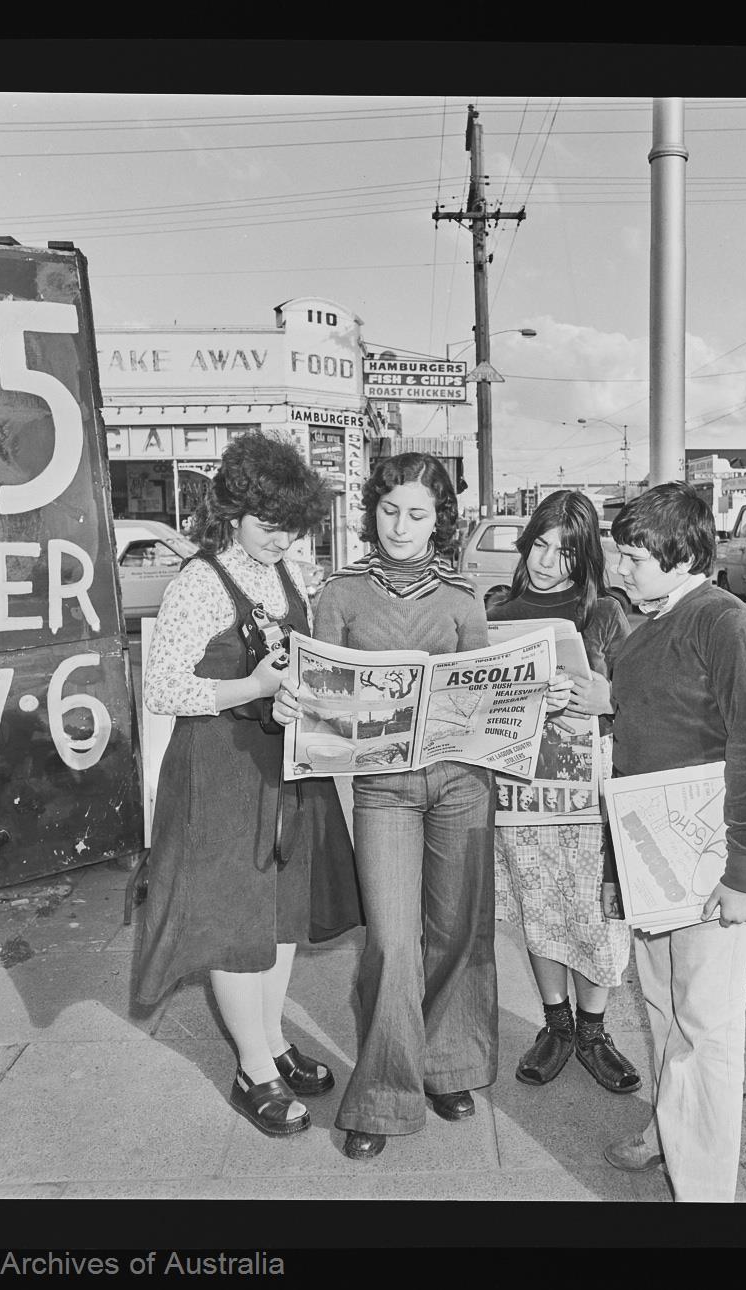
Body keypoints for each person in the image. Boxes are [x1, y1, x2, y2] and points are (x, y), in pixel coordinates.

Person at [275, 453, 571, 1161]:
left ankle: (447, 1067)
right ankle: (383, 1094)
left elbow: (490, 692)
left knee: (458, 932)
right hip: (384, 790)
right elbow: (321, 696)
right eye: (389, 511)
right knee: (391, 940)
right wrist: (299, 704)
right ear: (371, 511)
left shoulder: (463, 598)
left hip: (463, 783)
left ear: (440, 520)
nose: (400, 527)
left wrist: (539, 696)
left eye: (416, 514)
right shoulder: (341, 594)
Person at [134, 432, 363, 1139]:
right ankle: (252, 1068)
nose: (281, 539)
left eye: (292, 526)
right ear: (232, 512)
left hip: (285, 768)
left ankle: (273, 1039)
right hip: (220, 774)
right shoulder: (200, 583)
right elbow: (163, 687)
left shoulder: (289, 575)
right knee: (236, 921)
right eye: (268, 524)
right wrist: (253, 687)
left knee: (282, 912)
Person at [601, 481, 746, 1203]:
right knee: (662, 1009)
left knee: (705, 1027)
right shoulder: (654, 617)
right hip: (653, 856)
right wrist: (617, 866)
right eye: (620, 554)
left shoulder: (725, 623)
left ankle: (704, 1191)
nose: (620, 569)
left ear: (683, 558)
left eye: (634, 558)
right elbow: (652, 728)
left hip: (707, 860)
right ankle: (668, 1129)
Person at [487, 490, 641, 1096]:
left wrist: (604, 698)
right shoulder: (497, 608)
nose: (549, 562)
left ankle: (593, 1032)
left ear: (586, 558)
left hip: (589, 786)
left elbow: (637, 698)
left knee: (597, 911)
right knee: (538, 903)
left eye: (567, 551)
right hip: (523, 786)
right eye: (541, 546)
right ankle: (557, 1026)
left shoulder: (605, 613)